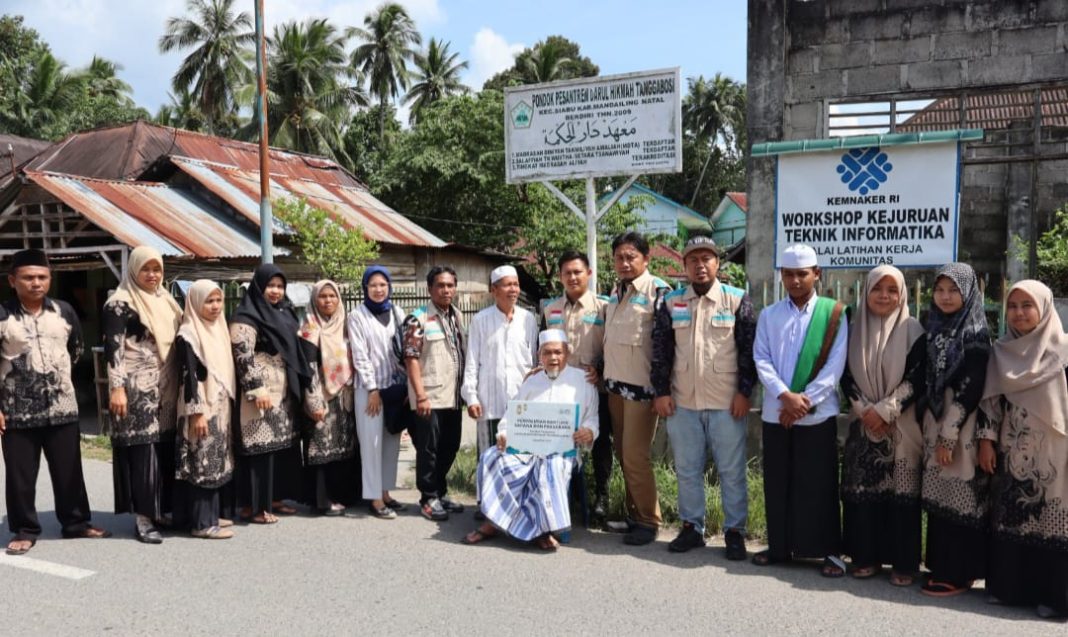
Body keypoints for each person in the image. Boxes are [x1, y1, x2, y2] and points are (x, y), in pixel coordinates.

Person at [651, 236, 756, 559]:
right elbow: (660, 352)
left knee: (731, 470)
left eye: (706, 258)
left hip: (727, 404)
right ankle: (691, 527)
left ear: (717, 263)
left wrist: (744, 393)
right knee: (687, 469)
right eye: (693, 259)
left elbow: (750, 351)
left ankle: (734, 531)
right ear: (684, 266)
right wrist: (662, 393)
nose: (700, 265)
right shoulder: (671, 303)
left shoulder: (737, 300)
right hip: (683, 402)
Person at [1, 249, 110, 555]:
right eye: (28, 277)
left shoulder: (64, 312)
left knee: (70, 470)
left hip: (62, 407)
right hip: (16, 411)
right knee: (20, 475)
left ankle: (76, 523)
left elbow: (76, 350)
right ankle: (24, 529)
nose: (36, 283)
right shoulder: (3, 316)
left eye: (42, 277)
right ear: (13, 280)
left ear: (50, 279)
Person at [752, 244, 848, 577]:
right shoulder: (768, 314)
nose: (795, 280)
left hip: (817, 414)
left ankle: (828, 551)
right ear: (781, 276)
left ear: (816, 274)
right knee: (778, 482)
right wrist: (784, 396)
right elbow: (761, 360)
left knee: (819, 483)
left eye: (801, 274)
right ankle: (780, 547)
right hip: (776, 413)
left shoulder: (833, 314)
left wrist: (802, 402)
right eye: (789, 274)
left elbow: (835, 367)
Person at [462, 329, 598, 550]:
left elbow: (593, 419)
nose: (553, 358)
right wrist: (503, 434)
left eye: (558, 352)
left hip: (561, 451)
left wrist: (589, 432)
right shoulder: (532, 381)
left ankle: (541, 529)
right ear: (539, 355)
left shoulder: (582, 381)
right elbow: (511, 415)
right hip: (526, 448)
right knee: (491, 458)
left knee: (549, 470)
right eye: (547, 353)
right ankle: (493, 522)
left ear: (567, 354)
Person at [981, 279, 1068, 618]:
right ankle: (1011, 590)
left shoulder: (1063, 350)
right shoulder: (1001, 351)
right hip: (1013, 450)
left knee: (1053, 521)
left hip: (1057, 453)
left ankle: (1053, 596)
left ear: (1044, 308)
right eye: (1013, 307)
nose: (1019, 313)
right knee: (1014, 514)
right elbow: (990, 402)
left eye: (1027, 306)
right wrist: (986, 442)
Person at [840, 265, 925, 586]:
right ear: (867, 291)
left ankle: (904, 563)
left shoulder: (914, 330)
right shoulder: (852, 328)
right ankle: (865, 556)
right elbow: (843, 373)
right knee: (864, 492)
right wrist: (864, 410)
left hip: (901, 426)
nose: (884, 296)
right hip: (862, 424)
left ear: (901, 294)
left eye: (892, 290)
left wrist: (887, 410)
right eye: (878, 289)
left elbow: (918, 376)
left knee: (901, 493)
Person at [916, 263, 993, 597]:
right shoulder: (933, 327)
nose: (946, 297)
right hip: (935, 423)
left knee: (960, 497)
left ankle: (960, 573)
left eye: (954, 290)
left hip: (960, 426)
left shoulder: (975, 332)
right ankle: (940, 565)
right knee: (939, 497)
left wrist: (949, 432)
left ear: (968, 293)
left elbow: (972, 387)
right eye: (940, 290)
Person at [104, 246, 182, 544]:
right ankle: (144, 518)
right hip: (136, 389)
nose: (152, 275)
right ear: (134, 270)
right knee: (142, 451)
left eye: (157, 269)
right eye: (146, 269)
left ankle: (161, 509)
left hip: (167, 385)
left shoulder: (166, 301)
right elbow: (113, 350)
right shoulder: (119, 304)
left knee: (163, 447)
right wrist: (117, 388)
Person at [230, 264, 316, 524]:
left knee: (281, 447)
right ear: (259, 286)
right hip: (260, 393)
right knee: (259, 447)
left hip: (283, 393)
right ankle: (253, 507)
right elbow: (242, 355)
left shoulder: (285, 312)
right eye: (271, 286)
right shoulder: (246, 316)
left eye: (280, 286)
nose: (276, 291)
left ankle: (274, 499)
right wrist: (256, 388)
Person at [603, 232, 672, 545]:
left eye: (631, 256)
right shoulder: (616, 291)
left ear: (646, 259)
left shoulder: (660, 292)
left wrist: (662, 390)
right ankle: (634, 515)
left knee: (635, 455)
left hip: (643, 390)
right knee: (622, 452)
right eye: (619, 257)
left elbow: (666, 346)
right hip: (616, 386)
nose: (624, 262)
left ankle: (648, 521)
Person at [542, 251, 612, 518]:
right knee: (562, 440)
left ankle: (601, 497)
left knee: (600, 440)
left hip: (595, 386)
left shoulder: (604, 307)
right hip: (559, 389)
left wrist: (601, 370)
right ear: (560, 276)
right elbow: (544, 344)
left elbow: (612, 346)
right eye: (567, 273)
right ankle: (566, 495)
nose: (572, 277)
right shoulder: (550, 309)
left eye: (577, 272)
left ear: (589, 274)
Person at [173, 279, 236, 540]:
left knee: (215, 460)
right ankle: (201, 523)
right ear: (196, 303)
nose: (215, 306)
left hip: (220, 405)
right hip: (202, 406)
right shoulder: (189, 334)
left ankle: (210, 515)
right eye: (208, 301)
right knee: (202, 461)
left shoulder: (218, 329)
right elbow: (189, 376)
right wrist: (196, 412)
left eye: (218, 300)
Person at [403, 266, 466, 521]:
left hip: (453, 396)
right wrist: (420, 395)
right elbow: (411, 358)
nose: (446, 290)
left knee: (450, 446)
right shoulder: (417, 318)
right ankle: (428, 497)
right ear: (430, 289)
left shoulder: (457, 315)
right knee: (428, 449)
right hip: (429, 396)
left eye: (450, 285)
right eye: (440, 285)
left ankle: (440, 491)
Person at [348, 266, 406, 519]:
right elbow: (359, 355)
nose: (378, 289)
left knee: (391, 440)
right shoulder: (357, 316)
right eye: (373, 285)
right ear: (365, 288)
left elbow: (404, 348)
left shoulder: (397, 312)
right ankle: (373, 497)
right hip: (368, 390)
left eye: (383, 284)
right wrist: (372, 388)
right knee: (371, 444)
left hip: (393, 387)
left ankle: (385, 491)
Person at [462, 265, 538, 454]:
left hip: (522, 402)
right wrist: (471, 397)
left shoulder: (528, 319)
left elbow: (535, 361)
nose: (513, 289)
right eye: (507, 285)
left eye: (516, 284)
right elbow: (472, 360)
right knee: (489, 458)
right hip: (489, 403)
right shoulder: (480, 320)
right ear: (494, 290)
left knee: (520, 458)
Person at [299, 280, 356, 517]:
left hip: (345, 395)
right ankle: (321, 501)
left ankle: (343, 496)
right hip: (320, 395)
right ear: (315, 299)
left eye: (332, 296)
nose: (328, 301)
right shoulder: (309, 328)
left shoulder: (345, 325)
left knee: (343, 447)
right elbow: (307, 367)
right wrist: (313, 400)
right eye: (323, 296)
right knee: (320, 448)